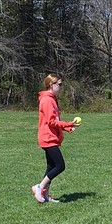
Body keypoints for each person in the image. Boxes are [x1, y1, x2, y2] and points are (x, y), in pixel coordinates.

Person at [32, 73, 79, 204]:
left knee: (50, 166)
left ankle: (46, 195)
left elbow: (55, 121)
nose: (61, 87)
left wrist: (67, 128)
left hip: (50, 137)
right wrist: (68, 123)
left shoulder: (51, 99)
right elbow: (51, 122)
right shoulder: (47, 100)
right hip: (48, 138)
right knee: (60, 166)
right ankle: (39, 187)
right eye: (59, 84)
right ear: (50, 85)